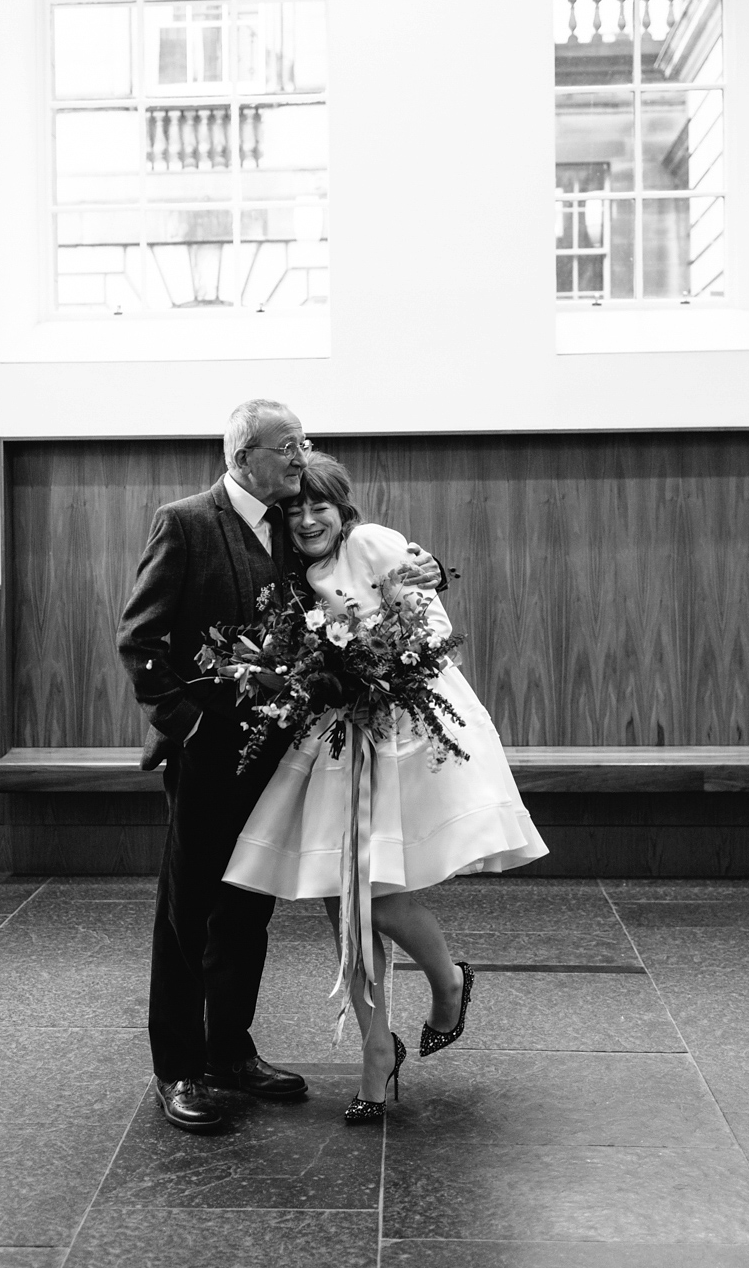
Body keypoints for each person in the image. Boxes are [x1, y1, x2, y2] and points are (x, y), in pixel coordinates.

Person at [117, 401, 442, 1133]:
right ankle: (178, 1068)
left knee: (246, 909)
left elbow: (354, 569)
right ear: (244, 456)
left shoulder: (288, 523)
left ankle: (230, 1050)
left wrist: (420, 572)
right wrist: (189, 723)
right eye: (287, 446)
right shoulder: (187, 521)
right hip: (208, 757)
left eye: (304, 444)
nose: (301, 456)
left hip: (280, 753)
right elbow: (140, 638)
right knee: (187, 913)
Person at [222, 451, 549, 1121]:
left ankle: (449, 984)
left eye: (321, 505)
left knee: (383, 898)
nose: (308, 518)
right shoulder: (287, 571)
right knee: (341, 898)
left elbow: (431, 626)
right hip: (334, 736)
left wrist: (372, 664)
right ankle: (376, 1051)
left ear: (344, 510)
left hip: (400, 728)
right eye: (294, 508)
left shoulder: (369, 544)